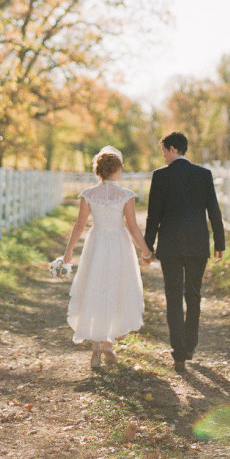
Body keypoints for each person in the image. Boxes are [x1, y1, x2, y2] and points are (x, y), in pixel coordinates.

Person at [62, 145, 153, 368]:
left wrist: (68, 252)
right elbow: (132, 227)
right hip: (119, 245)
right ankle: (108, 345)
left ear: (99, 170)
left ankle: (97, 346)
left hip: (97, 243)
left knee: (95, 287)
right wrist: (146, 250)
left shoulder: (88, 194)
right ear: (117, 169)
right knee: (114, 288)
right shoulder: (125, 195)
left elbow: (79, 225)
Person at [143, 131, 225, 374]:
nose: (164, 156)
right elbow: (214, 211)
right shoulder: (204, 175)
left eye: (164, 151)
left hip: (170, 246)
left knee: (173, 297)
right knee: (194, 294)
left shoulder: (160, 176)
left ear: (172, 149)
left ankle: (178, 354)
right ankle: (190, 346)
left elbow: (153, 215)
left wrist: (148, 247)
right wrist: (219, 243)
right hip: (198, 245)